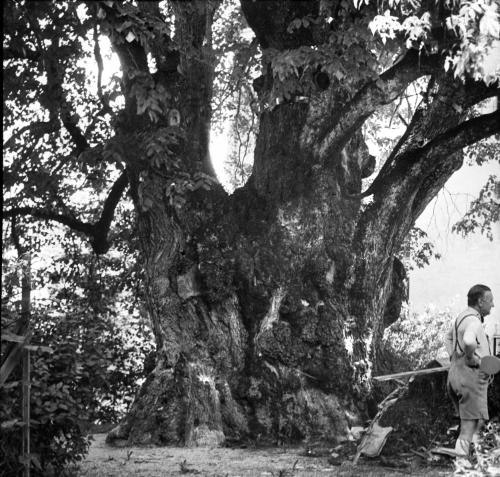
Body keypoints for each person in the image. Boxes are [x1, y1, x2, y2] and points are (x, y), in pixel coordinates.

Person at [445, 284, 495, 458]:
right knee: (470, 424)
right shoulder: (474, 321)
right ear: (480, 301)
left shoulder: (461, 318)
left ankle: (466, 453)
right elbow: (468, 341)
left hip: (455, 375)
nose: (493, 305)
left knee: (474, 420)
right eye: (491, 300)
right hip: (471, 377)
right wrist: (470, 357)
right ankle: (461, 462)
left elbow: (448, 337)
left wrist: (453, 356)